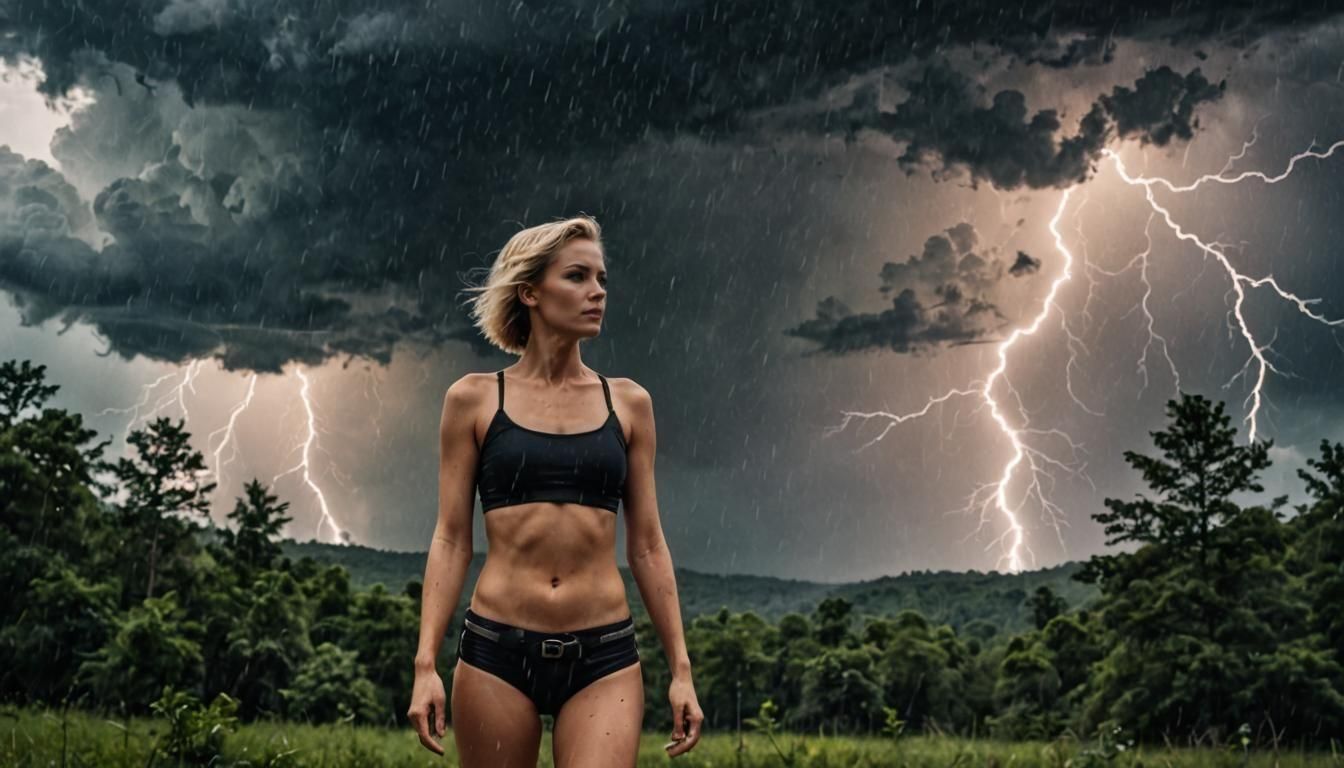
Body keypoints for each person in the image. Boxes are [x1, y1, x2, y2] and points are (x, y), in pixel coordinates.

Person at [407, 215, 704, 766]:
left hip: (605, 656)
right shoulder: (473, 400)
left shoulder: (629, 403)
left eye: (602, 279)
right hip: (496, 650)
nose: (597, 292)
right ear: (530, 292)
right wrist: (426, 665)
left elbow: (646, 545)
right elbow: (451, 539)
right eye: (577, 277)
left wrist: (681, 671)